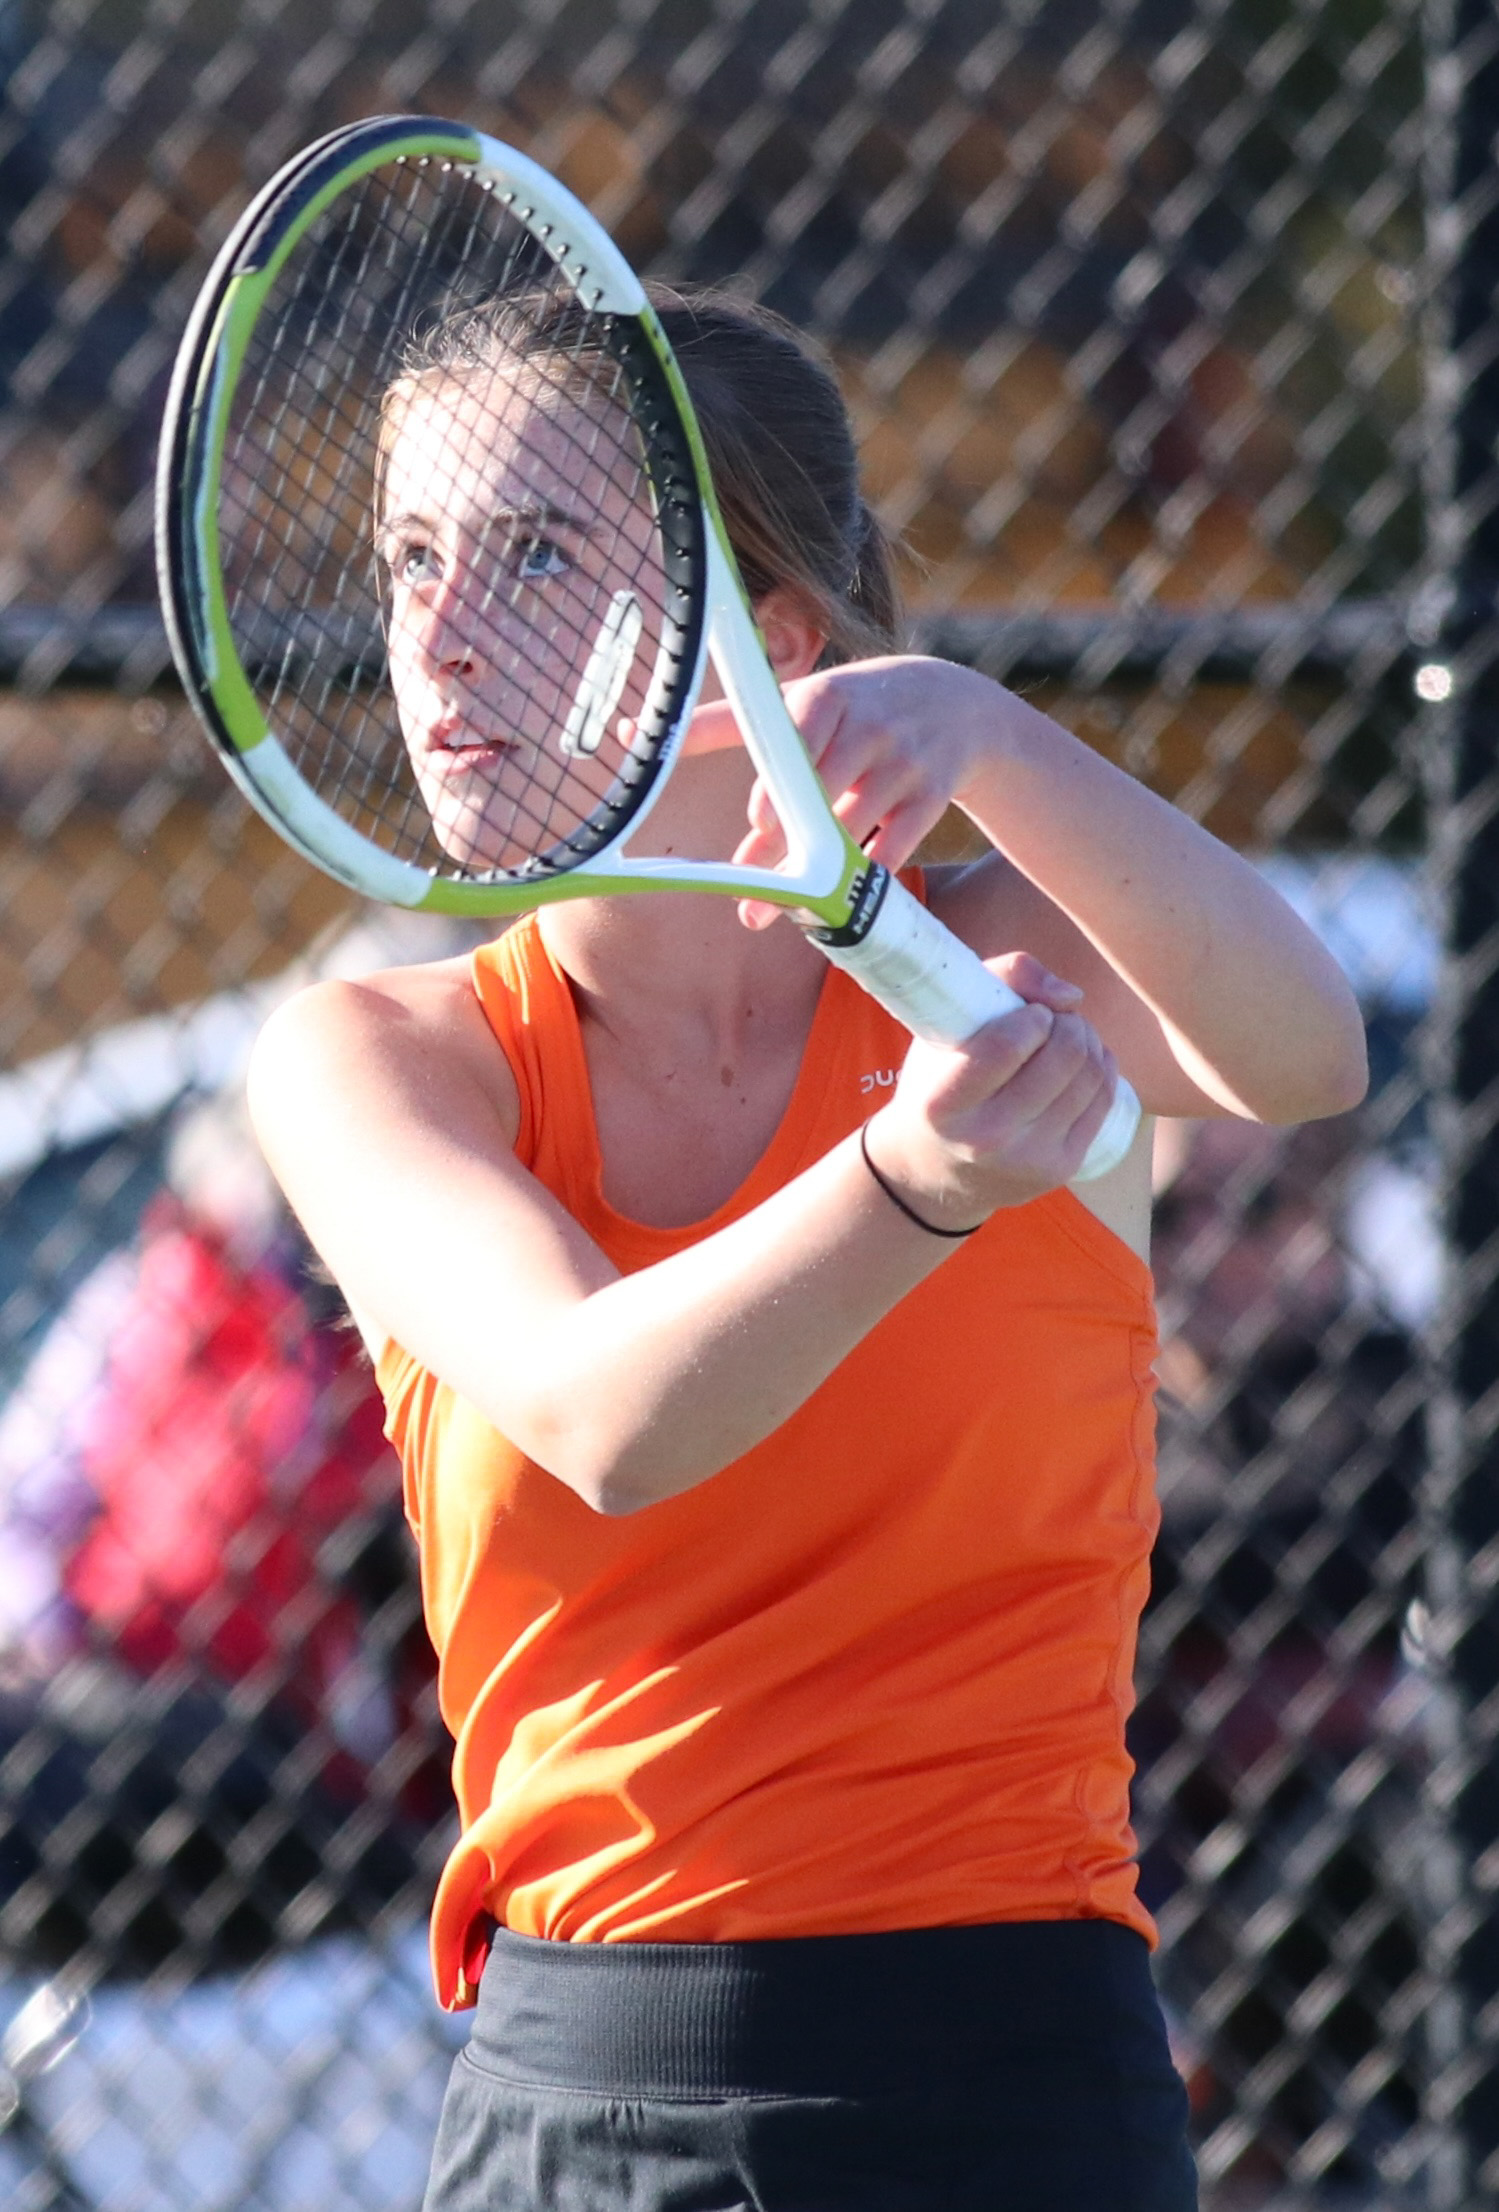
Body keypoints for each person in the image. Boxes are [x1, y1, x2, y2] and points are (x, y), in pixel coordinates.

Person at [246, 287, 1368, 2212]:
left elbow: (1304, 1050)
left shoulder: (999, 956)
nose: (437, 634)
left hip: (1026, 2084)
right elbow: (609, 1416)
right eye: (412, 556)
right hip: (587, 2104)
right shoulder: (378, 1058)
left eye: (535, 554)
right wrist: (917, 1182)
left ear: (767, 643)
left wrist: (986, 730)